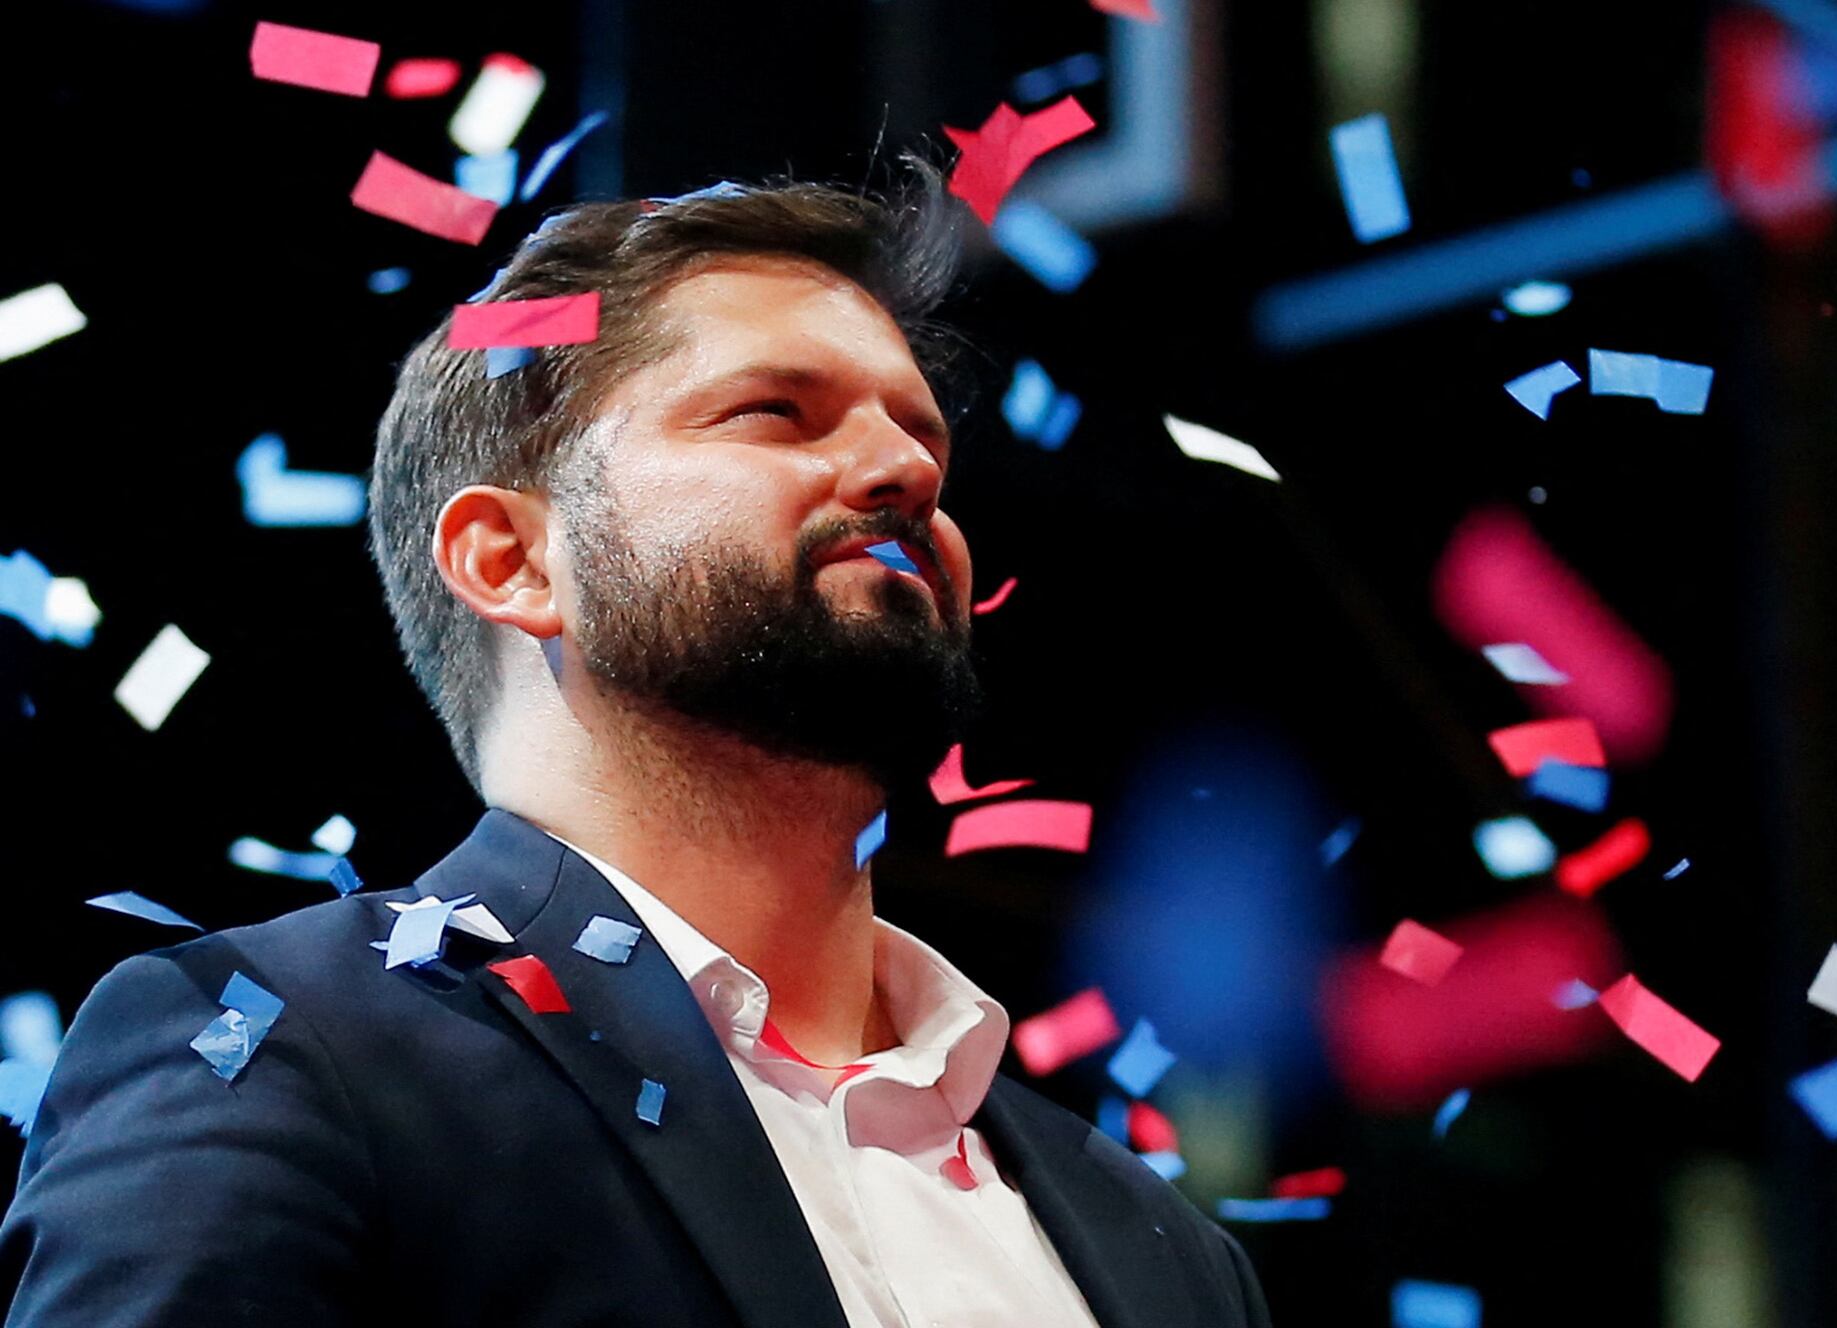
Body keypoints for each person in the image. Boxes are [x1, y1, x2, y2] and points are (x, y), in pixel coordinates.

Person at [0, 164, 1273, 1327]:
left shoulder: (1166, 1247)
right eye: (777, 411)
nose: (904, 469)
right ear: (513, 558)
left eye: (923, 434)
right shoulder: (287, 1044)